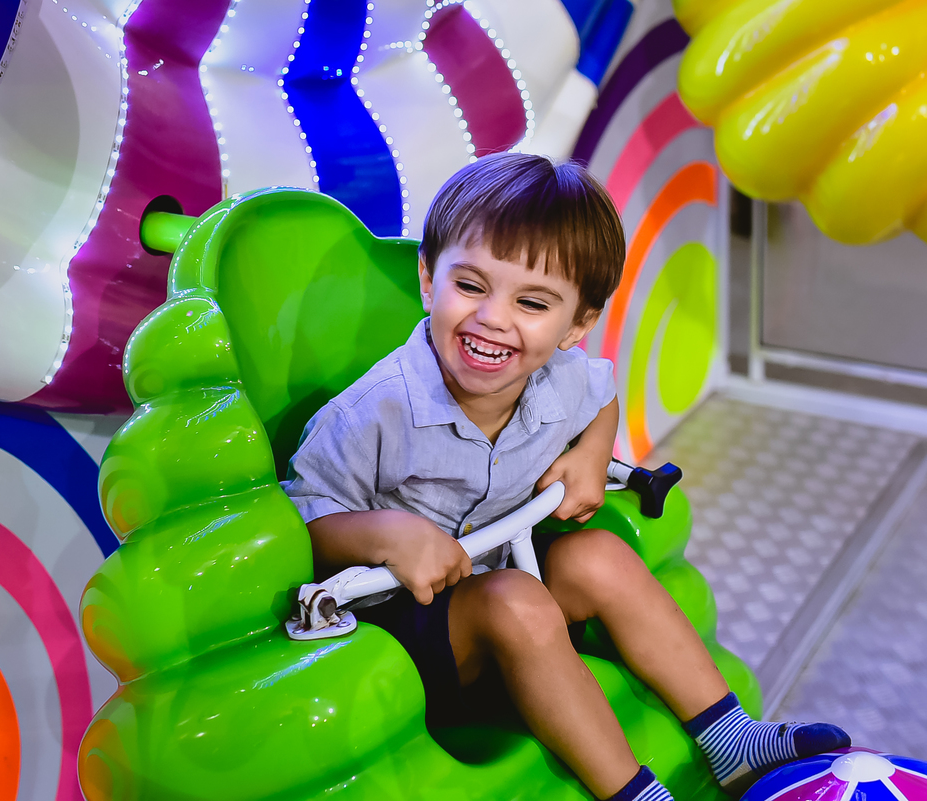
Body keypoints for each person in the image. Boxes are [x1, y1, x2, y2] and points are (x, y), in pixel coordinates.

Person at [281, 154, 849, 801]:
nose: (493, 318)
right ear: (426, 279)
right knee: (515, 600)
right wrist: (384, 532)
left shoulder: (564, 375)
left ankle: (732, 737)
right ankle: (633, 793)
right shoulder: (372, 411)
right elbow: (300, 520)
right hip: (407, 636)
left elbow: (601, 393)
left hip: (505, 575)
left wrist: (591, 453)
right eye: (469, 286)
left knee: (599, 554)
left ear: (576, 324)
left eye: (531, 302)